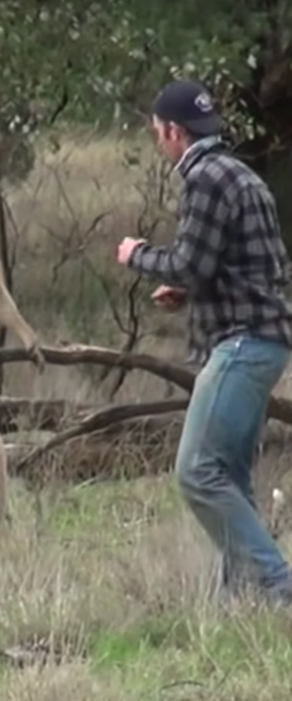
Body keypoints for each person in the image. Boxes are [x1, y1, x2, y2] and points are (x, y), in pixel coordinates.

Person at [116, 78, 292, 606]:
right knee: (229, 477)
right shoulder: (240, 174)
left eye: (158, 134)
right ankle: (236, 603)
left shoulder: (206, 179)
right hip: (264, 341)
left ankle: (279, 585)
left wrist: (137, 254)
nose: (159, 143)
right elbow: (245, 266)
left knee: (196, 471)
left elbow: (190, 262)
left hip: (241, 346)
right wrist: (190, 291)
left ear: (174, 131)